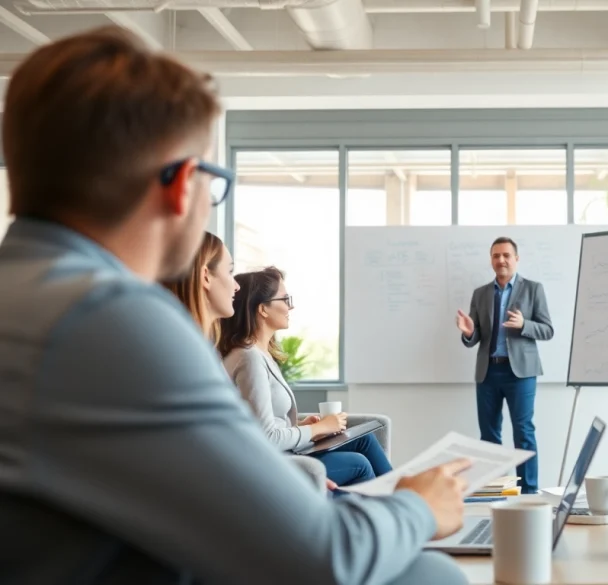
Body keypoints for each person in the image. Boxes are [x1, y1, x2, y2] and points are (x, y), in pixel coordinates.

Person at [0, 26, 470, 585]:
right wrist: (418, 507)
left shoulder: (31, 295)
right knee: (429, 574)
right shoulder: (111, 318)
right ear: (179, 186)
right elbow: (320, 558)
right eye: (212, 178)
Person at [161, 232, 333, 494]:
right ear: (206, 276)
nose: (236, 286)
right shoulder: (192, 354)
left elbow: (237, 432)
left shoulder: (202, 350)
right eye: (230, 272)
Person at [220, 267, 393, 488]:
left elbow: (264, 420)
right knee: (358, 463)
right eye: (285, 299)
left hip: (286, 452)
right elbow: (265, 437)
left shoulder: (262, 354)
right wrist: (316, 430)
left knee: (364, 440)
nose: (291, 306)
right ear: (262, 309)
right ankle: (384, 512)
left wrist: (302, 426)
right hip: (274, 462)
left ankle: (405, 499)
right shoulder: (249, 359)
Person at [456, 236, 553, 494]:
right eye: (496, 256)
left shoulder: (533, 289)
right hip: (488, 371)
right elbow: (474, 338)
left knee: (523, 433)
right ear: (491, 260)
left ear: (516, 259)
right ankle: (497, 491)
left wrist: (524, 325)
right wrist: (468, 332)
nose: (501, 260)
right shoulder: (480, 294)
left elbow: (547, 330)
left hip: (520, 373)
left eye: (506, 255)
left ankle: (529, 492)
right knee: (489, 437)